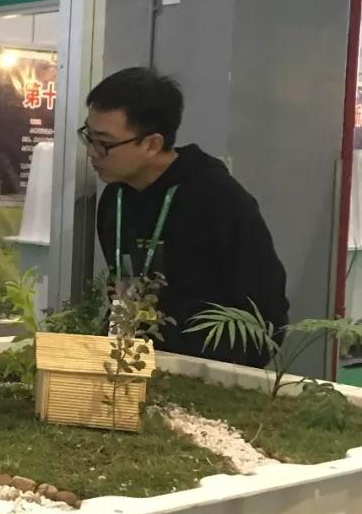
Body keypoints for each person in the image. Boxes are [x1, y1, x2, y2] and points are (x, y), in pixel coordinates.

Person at [82, 67, 288, 366]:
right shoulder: (116, 198)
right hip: (133, 364)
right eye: (89, 136)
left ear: (152, 144)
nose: (92, 152)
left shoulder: (219, 198)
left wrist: (221, 375)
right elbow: (124, 287)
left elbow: (267, 313)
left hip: (204, 371)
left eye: (104, 143)